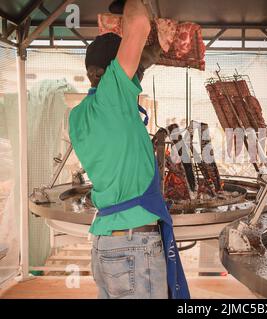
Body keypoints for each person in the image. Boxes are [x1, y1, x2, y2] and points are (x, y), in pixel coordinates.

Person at [69, 0, 189, 299]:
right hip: (133, 247)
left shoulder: (79, 115)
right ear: (114, 71)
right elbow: (139, 25)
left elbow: (138, 64)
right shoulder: (114, 94)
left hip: (106, 243)